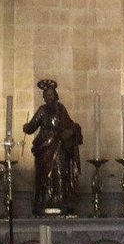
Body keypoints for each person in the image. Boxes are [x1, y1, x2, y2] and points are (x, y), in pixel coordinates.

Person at [23, 79, 83, 215]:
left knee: (60, 171)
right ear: (44, 98)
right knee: (44, 175)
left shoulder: (61, 109)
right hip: (44, 147)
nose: (49, 98)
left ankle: (59, 199)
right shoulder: (42, 110)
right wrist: (26, 127)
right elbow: (32, 126)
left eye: (51, 95)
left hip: (59, 146)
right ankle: (45, 199)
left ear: (55, 95)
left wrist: (73, 130)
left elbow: (69, 124)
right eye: (46, 95)